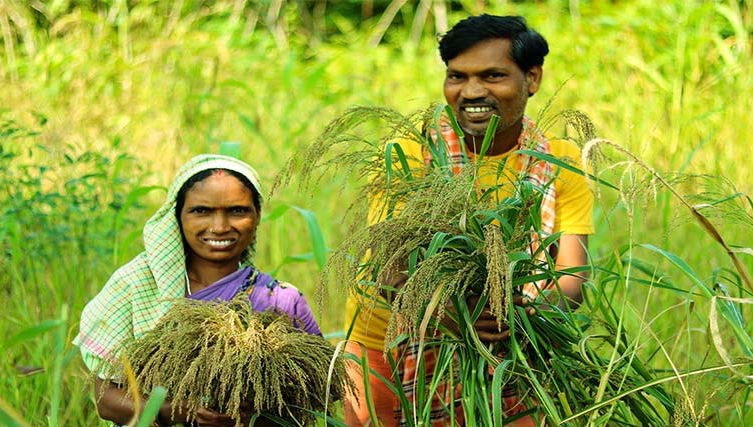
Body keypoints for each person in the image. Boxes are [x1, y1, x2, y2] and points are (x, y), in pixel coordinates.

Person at [342, 14, 594, 427]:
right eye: (457, 76)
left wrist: (521, 318)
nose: (472, 92)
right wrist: (457, 317)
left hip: (513, 353)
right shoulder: (410, 155)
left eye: (493, 75)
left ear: (532, 79)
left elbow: (572, 276)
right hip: (388, 346)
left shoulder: (557, 161)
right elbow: (388, 274)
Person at [74, 154, 321, 427]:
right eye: (201, 211)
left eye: (237, 210)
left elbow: (322, 389)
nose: (219, 226)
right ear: (178, 216)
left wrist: (262, 409)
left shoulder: (280, 300)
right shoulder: (135, 285)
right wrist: (176, 410)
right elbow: (104, 398)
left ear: (257, 216)